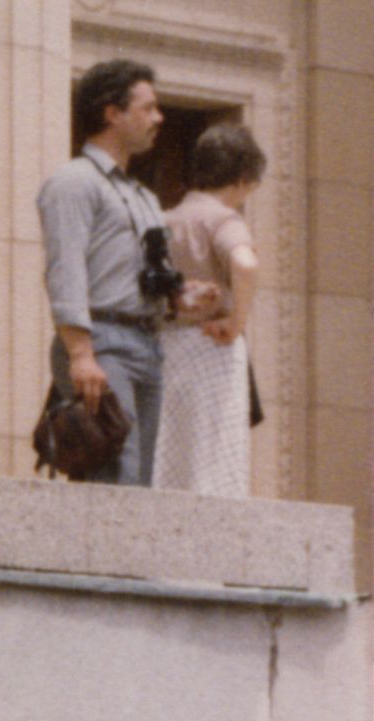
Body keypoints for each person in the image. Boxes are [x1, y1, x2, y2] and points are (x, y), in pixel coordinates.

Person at [38, 60, 175, 486]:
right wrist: (81, 354)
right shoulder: (73, 182)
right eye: (148, 108)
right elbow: (65, 267)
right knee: (117, 475)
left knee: (138, 483)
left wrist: (183, 297)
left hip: (147, 344)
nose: (159, 118)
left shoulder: (142, 195)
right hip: (102, 343)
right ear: (112, 113)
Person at [153, 121, 266, 497]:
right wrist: (237, 320)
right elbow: (245, 264)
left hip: (168, 345)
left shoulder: (164, 219)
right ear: (242, 180)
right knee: (216, 461)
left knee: (171, 454)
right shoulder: (223, 219)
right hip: (214, 345)